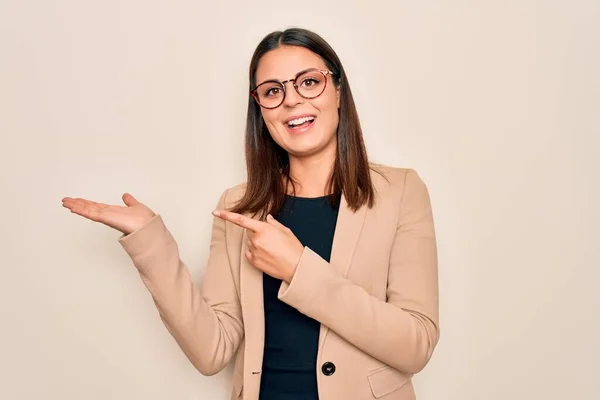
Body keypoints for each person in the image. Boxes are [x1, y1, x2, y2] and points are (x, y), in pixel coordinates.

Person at [62, 28, 439, 400]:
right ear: (260, 108)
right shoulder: (238, 206)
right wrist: (150, 241)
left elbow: (416, 345)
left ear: (338, 91)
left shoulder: (400, 191)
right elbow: (212, 351)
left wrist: (297, 269)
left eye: (309, 82)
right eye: (273, 91)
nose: (291, 101)